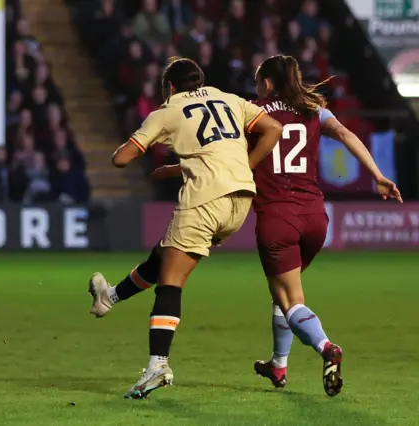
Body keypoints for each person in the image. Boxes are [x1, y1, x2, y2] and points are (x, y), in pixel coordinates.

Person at [88, 55, 403, 397]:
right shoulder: (288, 106)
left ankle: (160, 365)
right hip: (291, 211)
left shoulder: (233, 108)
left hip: (256, 212)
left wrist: (232, 165)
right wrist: (378, 176)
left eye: (257, 81)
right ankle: (278, 364)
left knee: (180, 282)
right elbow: (325, 133)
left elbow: (130, 158)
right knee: (181, 262)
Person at [105, 56, 283, 399]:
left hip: (204, 200)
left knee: (170, 283)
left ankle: (157, 366)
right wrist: (241, 167)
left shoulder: (168, 109)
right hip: (241, 201)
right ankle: (110, 296)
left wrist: (142, 141)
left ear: (169, 86)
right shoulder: (229, 98)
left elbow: (122, 158)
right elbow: (272, 129)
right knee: (163, 258)